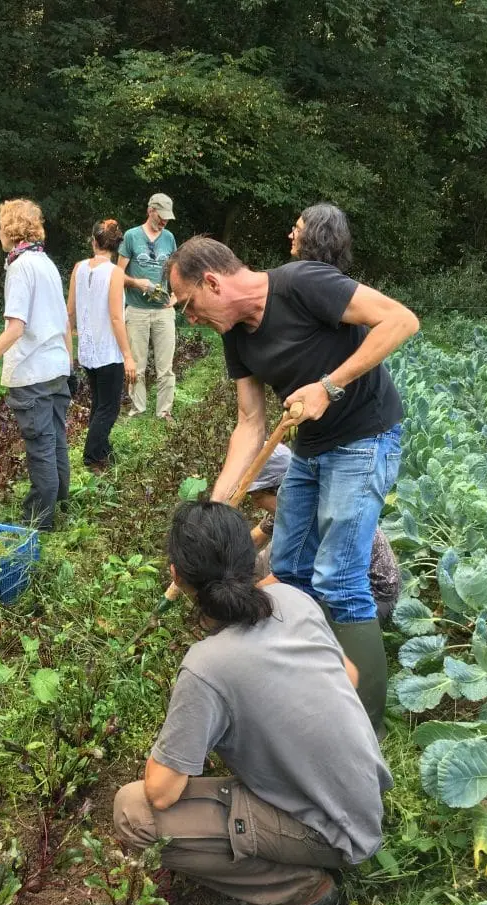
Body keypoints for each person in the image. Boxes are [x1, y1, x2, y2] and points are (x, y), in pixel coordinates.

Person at [166, 236, 419, 736]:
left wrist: (330, 385)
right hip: (313, 448)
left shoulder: (302, 283)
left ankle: (364, 733)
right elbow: (250, 423)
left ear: (212, 282)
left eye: (189, 304)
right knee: (289, 569)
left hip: (365, 437)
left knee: (339, 579)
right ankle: (302, 687)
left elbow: (401, 320)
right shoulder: (236, 337)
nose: (189, 318)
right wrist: (216, 506)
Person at [114, 502, 392, 905]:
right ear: (252, 557)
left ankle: (298, 893)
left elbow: (161, 791)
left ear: (176, 576)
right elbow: (351, 677)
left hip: (335, 832)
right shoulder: (293, 600)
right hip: (363, 797)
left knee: (133, 812)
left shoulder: (206, 666)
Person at [0, 199, 72, 531]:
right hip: (56, 369)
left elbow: (16, 327)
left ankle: (39, 523)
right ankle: (61, 506)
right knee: (56, 441)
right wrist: (70, 363)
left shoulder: (21, 267)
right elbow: (64, 320)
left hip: (33, 373)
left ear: (10, 229)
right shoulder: (46, 262)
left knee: (40, 450)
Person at [247, 443, 401, 624]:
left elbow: (289, 576)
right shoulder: (294, 502)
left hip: (371, 596)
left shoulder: (316, 512)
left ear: (279, 489)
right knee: (268, 555)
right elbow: (254, 539)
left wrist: (241, 601)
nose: (256, 505)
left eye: (258, 498)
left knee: (280, 607)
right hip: (333, 581)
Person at [66, 219, 137, 472]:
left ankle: (103, 448)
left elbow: (70, 310)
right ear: (116, 246)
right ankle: (92, 456)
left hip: (87, 348)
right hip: (108, 350)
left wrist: (70, 342)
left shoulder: (79, 267)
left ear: (94, 242)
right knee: (109, 407)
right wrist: (128, 355)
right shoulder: (115, 273)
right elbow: (117, 316)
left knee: (99, 402)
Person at [118, 194, 177, 422]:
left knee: (166, 367)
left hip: (163, 311)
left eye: (167, 219)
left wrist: (176, 294)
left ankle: (164, 412)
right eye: (161, 217)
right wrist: (136, 282)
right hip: (136, 310)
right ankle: (137, 408)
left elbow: (175, 270)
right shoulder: (132, 236)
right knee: (137, 366)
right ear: (150, 210)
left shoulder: (169, 238)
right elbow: (117, 274)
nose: (164, 222)